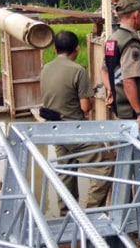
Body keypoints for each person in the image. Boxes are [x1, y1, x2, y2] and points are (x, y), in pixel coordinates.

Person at [39, 30, 112, 216]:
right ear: (77, 49)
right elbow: (85, 107)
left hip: (54, 130)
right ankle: (91, 215)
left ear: (55, 49)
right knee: (105, 167)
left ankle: (66, 216)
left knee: (66, 173)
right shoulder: (78, 70)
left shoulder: (46, 68)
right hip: (75, 131)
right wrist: (92, 96)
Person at [101, 0, 140, 130]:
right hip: (131, 112)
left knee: (124, 146)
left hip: (121, 108)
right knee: (138, 149)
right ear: (136, 14)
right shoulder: (130, 43)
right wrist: (139, 112)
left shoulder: (112, 39)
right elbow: (128, 80)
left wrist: (112, 89)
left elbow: (104, 71)